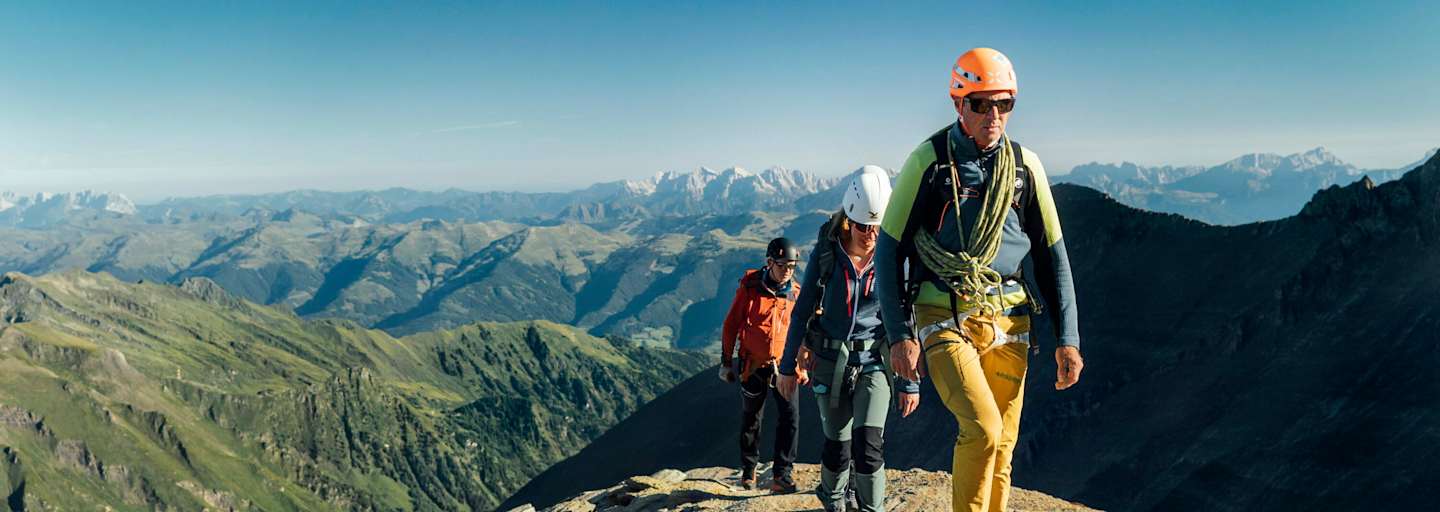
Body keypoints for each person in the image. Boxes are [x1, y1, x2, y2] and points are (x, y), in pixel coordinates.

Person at [875, 47, 1083, 512]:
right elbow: (888, 250)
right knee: (983, 429)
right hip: (942, 312)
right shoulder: (928, 162)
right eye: (980, 103)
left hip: (1009, 318)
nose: (993, 115)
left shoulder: (1025, 166)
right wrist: (897, 335)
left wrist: (1067, 338)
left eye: (1004, 104)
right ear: (958, 103)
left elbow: (1053, 255)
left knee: (1004, 443)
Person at [777, 166, 921, 512]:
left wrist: (909, 381)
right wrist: (785, 366)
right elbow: (802, 309)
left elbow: (907, 316)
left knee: (869, 446)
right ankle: (833, 500)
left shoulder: (894, 257)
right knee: (838, 446)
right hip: (831, 362)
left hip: (875, 361)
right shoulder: (828, 254)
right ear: (848, 221)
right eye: (862, 227)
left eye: (876, 227)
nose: (870, 235)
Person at [720, 237, 807, 492]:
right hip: (753, 365)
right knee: (751, 418)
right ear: (770, 263)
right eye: (783, 266)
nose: (788, 271)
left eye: (792, 266)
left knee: (791, 418)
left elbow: (801, 332)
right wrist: (726, 362)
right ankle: (749, 470)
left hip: (785, 366)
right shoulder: (750, 288)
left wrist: (801, 366)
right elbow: (731, 325)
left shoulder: (795, 293)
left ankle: (783, 474)